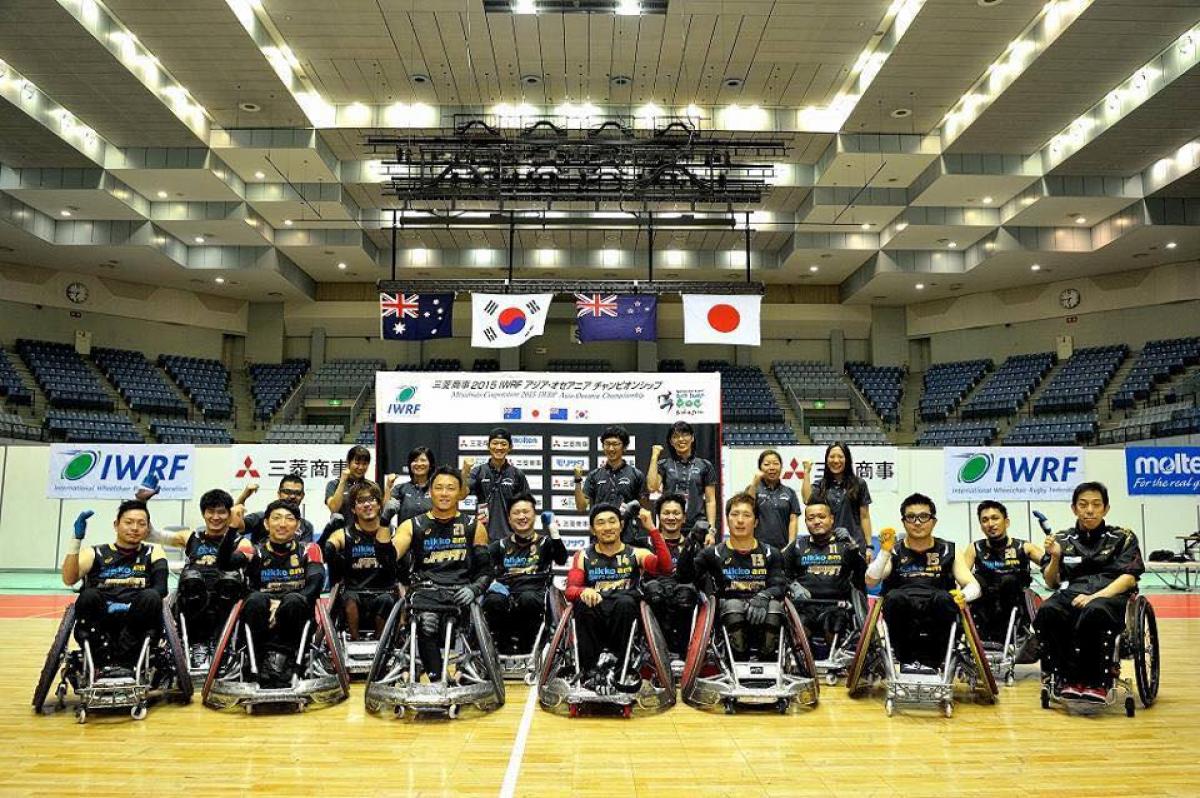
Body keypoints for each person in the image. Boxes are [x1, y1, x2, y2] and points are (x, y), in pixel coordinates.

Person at [376, 466, 492, 679]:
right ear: (430, 491)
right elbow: (387, 559)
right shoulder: (413, 525)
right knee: (426, 622)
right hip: (425, 592)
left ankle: (464, 672)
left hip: (460, 592)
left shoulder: (473, 526)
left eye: (450, 488)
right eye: (439, 488)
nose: (444, 493)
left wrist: (474, 589)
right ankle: (437, 678)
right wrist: (384, 522)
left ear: (460, 493)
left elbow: (486, 570)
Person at [1035, 481, 1144, 703]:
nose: (1090, 510)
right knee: (1047, 610)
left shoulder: (1124, 537)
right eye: (1083, 505)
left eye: (1096, 504)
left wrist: (1095, 596)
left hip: (1110, 596)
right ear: (1074, 508)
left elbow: (1129, 577)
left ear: (1106, 508)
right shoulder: (1062, 540)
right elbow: (1051, 582)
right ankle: (1065, 677)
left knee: (1094, 611)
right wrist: (1055, 557)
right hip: (1072, 593)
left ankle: (1097, 682)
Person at [864, 493, 980, 670]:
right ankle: (906, 660)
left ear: (933, 521)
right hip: (902, 613)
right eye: (911, 517)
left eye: (923, 517)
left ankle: (934, 661)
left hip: (937, 610)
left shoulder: (950, 549)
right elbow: (871, 581)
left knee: (944, 599)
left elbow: (974, 586)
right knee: (894, 598)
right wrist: (884, 552)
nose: (917, 522)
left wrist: (963, 595)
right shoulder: (893, 551)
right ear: (903, 522)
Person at [216, 499, 325, 687]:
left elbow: (316, 583)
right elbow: (224, 564)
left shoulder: (309, 549)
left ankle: (286, 662)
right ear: (266, 524)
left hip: (295, 615)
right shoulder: (253, 550)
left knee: (294, 601)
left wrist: (280, 605)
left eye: (289, 519)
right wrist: (232, 529)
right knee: (256, 599)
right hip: (260, 615)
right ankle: (257, 662)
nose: (282, 524)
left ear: (297, 525)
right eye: (276, 518)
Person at [564, 503, 673, 686]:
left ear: (621, 525)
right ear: (592, 529)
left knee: (625, 602)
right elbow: (569, 591)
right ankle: (590, 671)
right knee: (582, 606)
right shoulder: (582, 556)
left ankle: (619, 668)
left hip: (624, 612)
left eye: (612, 522)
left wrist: (653, 530)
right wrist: (583, 591)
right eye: (600, 523)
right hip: (595, 611)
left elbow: (666, 567)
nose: (607, 527)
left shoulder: (636, 553)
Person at [60, 501, 168, 676]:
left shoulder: (153, 552)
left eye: (141, 524)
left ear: (147, 529)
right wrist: (76, 540)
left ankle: (124, 661)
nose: (135, 528)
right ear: (116, 525)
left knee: (152, 596)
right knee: (88, 595)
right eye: (128, 522)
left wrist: (131, 606)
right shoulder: (95, 552)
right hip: (101, 620)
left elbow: (161, 588)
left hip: (138, 620)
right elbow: (69, 579)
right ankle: (102, 660)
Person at [146, 488, 245, 665]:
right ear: (203, 513)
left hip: (224, 597)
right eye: (210, 512)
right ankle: (197, 644)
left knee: (228, 581)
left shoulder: (240, 541)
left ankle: (219, 644)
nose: (215, 517)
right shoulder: (190, 537)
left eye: (221, 512)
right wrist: (143, 502)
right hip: (192, 597)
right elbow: (150, 534)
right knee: (192, 580)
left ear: (229, 515)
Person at [692, 493, 788, 660]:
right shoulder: (712, 553)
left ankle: (767, 660)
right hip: (727, 613)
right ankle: (737, 659)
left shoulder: (771, 553)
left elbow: (779, 585)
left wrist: (763, 596)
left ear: (756, 522)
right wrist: (691, 541)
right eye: (734, 515)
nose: (740, 520)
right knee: (734, 605)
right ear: (727, 519)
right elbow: (685, 576)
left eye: (746, 515)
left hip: (763, 609)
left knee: (775, 608)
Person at [483, 494, 568, 654]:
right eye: (516, 513)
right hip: (506, 592)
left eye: (526, 512)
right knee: (493, 600)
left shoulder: (545, 542)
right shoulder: (499, 546)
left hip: (535, 592)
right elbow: (482, 569)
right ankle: (502, 648)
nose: (522, 516)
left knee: (527, 598)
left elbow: (562, 559)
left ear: (534, 515)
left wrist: (554, 532)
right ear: (509, 518)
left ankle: (528, 649)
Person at [783, 499, 868, 645]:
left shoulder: (845, 545)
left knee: (833, 624)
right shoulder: (797, 546)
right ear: (806, 522)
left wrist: (854, 547)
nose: (816, 521)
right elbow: (780, 575)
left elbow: (863, 576)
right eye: (811, 518)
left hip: (836, 606)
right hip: (804, 605)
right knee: (798, 627)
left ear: (831, 519)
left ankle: (833, 666)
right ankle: (802, 664)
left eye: (821, 517)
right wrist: (792, 586)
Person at [322, 481, 399, 640]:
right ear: (353, 509)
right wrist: (329, 532)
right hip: (353, 595)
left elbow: (397, 560)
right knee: (350, 598)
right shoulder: (344, 534)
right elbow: (326, 551)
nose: (367, 505)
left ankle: (380, 645)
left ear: (379, 505)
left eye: (372, 500)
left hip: (384, 594)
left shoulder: (393, 533)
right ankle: (355, 642)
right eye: (361, 501)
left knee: (386, 599)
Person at [961, 500, 1045, 644]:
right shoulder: (974, 548)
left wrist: (1054, 554)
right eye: (985, 520)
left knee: (1009, 581)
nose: (990, 524)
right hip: (984, 608)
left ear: (1006, 522)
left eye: (995, 518)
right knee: (975, 581)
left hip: (1014, 605)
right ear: (981, 525)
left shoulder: (1025, 547)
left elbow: (1050, 567)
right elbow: (960, 577)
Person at [641, 494, 705, 657]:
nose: (671, 517)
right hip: (655, 594)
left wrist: (691, 544)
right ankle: (658, 651)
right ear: (659, 517)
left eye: (676, 513)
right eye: (666, 513)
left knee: (685, 594)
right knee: (654, 591)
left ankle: (684, 652)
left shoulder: (695, 544)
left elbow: (696, 577)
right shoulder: (645, 543)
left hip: (685, 595)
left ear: (684, 518)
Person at [574, 425, 648, 544]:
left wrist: (631, 508)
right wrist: (577, 481)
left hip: (628, 538)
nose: (611, 448)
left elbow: (645, 506)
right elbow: (581, 507)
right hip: (600, 537)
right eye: (607, 444)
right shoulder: (594, 475)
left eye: (615, 444)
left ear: (624, 447)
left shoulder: (636, 474)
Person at [646, 420, 717, 534]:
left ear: (692, 438)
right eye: (675, 436)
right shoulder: (664, 464)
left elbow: (710, 501)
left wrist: (711, 530)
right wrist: (654, 456)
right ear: (671, 441)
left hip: (697, 525)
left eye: (685, 435)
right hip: (670, 525)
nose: (681, 439)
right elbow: (651, 487)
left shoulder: (705, 465)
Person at [801, 442, 873, 549]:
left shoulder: (859, 484)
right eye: (832, 457)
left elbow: (865, 517)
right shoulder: (821, 485)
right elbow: (807, 500)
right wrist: (806, 472)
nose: (836, 460)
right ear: (827, 460)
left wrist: (869, 546)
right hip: (828, 545)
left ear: (847, 459)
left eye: (840, 457)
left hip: (854, 543)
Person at [466, 427, 530, 542]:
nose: (499, 447)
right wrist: (465, 471)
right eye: (495, 443)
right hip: (483, 536)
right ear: (488, 446)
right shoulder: (478, 471)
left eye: (503, 444)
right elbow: (462, 494)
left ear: (510, 447)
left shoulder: (517, 474)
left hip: (510, 538)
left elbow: (526, 507)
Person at [232, 473, 316, 544]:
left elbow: (305, 554)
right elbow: (236, 526)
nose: (293, 496)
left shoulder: (306, 527)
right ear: (279, 494)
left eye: (297, 493)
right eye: (287, 492)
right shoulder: (261, 517)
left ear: (302, 496)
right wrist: (243, 497)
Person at [745, 449, 801, 549]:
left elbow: (793, 520)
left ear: (781, 467)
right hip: (757, 548)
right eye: (767, 464)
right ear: (760, 468)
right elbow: (747, 509)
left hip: (783, 548)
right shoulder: (753, 489)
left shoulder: (790, 492)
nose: (772, 468)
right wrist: (754, 485)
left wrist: (790, 545)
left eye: (776, 464)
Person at [383, 446, 435, 526]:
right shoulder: (401, 488)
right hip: (404, 536)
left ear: (430, 465)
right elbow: (386, 512)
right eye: (415, 460)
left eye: (423, 460)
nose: (419, 464)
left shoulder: (436, 489)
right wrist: (388, 487)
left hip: (431, 537)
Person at [326, 445, 374, 519]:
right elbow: (334, 508)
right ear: (348, 463)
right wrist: (342, 481)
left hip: (366, 527)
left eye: (364, 464)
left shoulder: (372, 486)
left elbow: (380, 510)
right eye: (357, 463)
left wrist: (388, 487)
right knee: (336, 517)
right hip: (342, 528)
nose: (361, 467)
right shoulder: (333, 484)